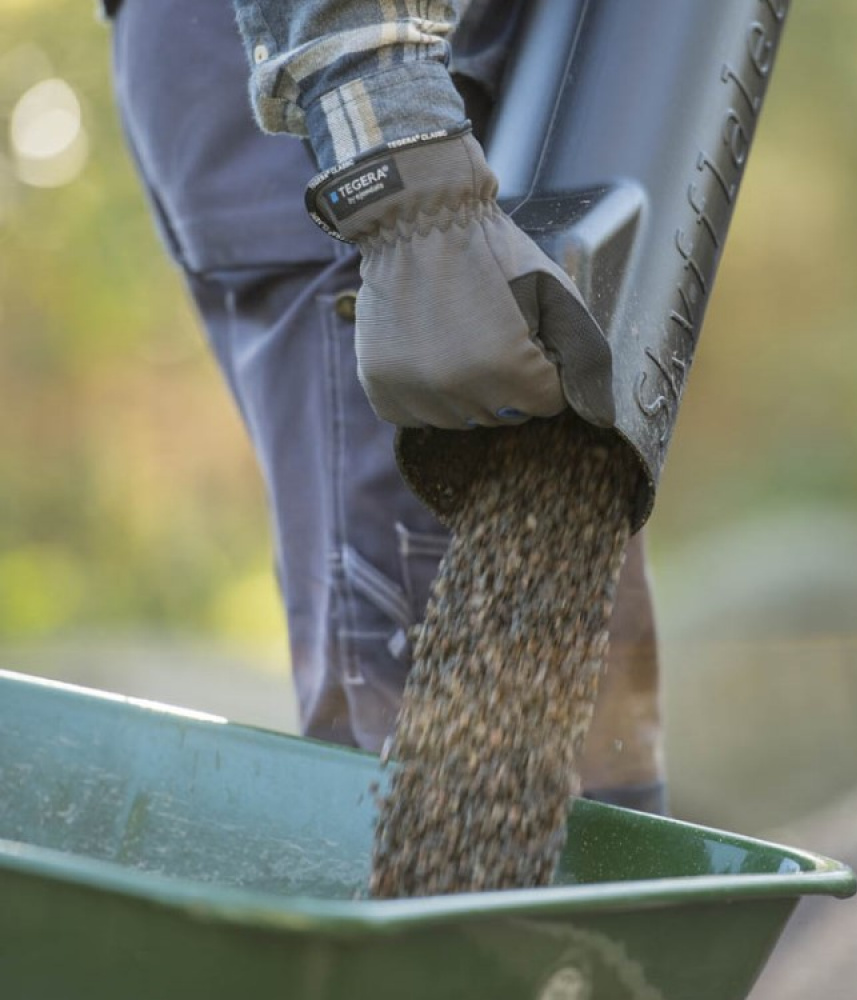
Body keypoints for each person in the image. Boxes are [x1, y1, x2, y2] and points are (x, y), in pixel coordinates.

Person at [106, 0, 665, 814]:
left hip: (485, 97)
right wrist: (406, 184)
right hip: (363, 93)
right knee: (432, 764)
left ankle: (593, 944)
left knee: (589, 721)